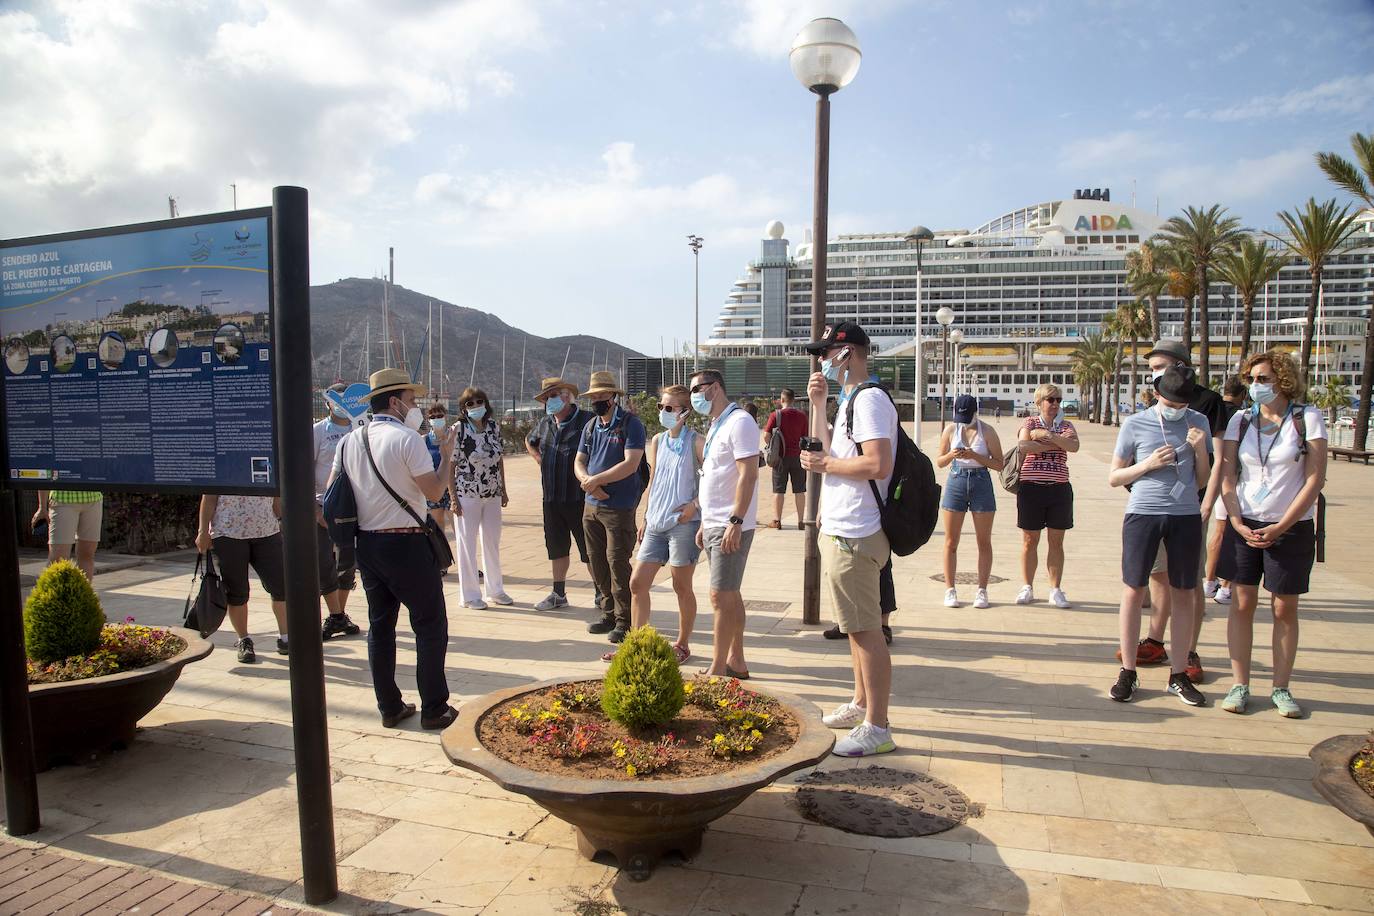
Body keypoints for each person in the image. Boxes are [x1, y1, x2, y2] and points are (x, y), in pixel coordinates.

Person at [330, 368, 458, 730]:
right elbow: (434, 492)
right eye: (412, 400)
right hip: (407, 542)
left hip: (367, 544)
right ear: (395, 401)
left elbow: (333, 494)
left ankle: (389, 705)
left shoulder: (349, 441)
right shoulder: (407, 439)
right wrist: (446, 455)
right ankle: (435, 708)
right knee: (430, 624)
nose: (415, 407)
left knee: (380, 626)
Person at [801, 322, 898, 757]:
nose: (823, 359)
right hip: (842, 528)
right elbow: (827, 450)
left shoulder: (871, 400)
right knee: (856, 630)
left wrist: (826, 467)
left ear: (849, 353)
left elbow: (877, 464)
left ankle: (877, 725)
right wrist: (818, 403)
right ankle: (861, 704)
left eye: (828, 352)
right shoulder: (850, 400)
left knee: (865, 631)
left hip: (857, 533)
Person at [1217, 351, 1326, 718]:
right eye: (1251, 379)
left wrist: (1282, 526)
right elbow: (1228, 477)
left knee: (1284, 606)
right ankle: (1239, 684)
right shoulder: (1240, 421)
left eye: (1262, 379)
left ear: (1283, 379)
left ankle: (1281, 687)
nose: (1255, 386)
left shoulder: (1307, 418)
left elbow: (1314, 480)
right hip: (1244, 521)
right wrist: (1234, 520)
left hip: (1290, 526)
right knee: (1242, 602)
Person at [1108, 366, 1212, 706]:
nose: (1177, 408)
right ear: (1157, 395)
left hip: (1184, 514)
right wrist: (1147, 465)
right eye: (1171, 402)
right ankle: (1128, 669)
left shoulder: (1199, 422)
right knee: (1133, 589)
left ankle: (1179, 674)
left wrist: (1199, 451)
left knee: (1184, 592)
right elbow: (1115, 476)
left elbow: (1201, 481)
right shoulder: (1135, 423)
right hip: (1143, 512)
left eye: (1183, 404)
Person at [1126, 340, 1228, 682]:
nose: (1156, 373)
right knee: (1157, 574)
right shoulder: (1154, 400)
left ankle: (1189, 652)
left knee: (1189, 583)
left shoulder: (1207, 404)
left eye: (1161, 366)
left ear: (1182, 365)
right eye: (1152, 368)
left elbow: (1217, 461)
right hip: (1148, 507)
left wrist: (1207, 503)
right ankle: (1155, 639)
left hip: (1188, 507)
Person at [690, 367, 760, 678]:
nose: (694, 396)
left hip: (732, 523)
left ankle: (718, 668)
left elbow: (749, 474)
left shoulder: (740, 421)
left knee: (720, 595)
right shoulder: (718, 423)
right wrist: (705, 521)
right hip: (715, 521)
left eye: (696, 389)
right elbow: (714, 477)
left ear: (715, 388)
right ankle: (737, 660)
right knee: (730, 592)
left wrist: (735, 519)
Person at [627, 384, 703, 664]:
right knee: (637, 583)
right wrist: (646, 516)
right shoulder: (658, 440)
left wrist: (694, 506)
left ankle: (682, 644)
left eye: (670, 408)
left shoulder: (696, 442)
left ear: (685, 411)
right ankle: (637, 642)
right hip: (656, 523)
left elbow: (714, 480)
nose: (664, 412)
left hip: (684, 525)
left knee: (681, 586)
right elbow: (656, 480)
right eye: (662, 407)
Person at [576, 371, 647, 646]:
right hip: (591, 505)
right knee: (597, 561)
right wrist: (587, 482)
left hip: (618, 506)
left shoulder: (631, 425)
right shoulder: (591, 426)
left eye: (602, 395)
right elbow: (579, 460)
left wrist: (597, 480)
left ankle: (624, 619)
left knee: (617, 562)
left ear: (613, 396)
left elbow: (631, 464)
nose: (597, 400)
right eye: (594, 396)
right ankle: (608, 613)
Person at [526, 377, 598, 612]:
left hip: (580, 499)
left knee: (589, 550)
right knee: (556, 548)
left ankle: (601, 593)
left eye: (553, 395)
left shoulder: (588, 421)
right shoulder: (545, 423)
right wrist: (539, 459)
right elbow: (530, 440)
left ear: (567, 396)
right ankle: (558, 593)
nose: (549, 401)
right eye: (546, 397)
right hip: (552, 498)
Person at [195, 494, 289, 664]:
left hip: (267, 531)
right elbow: (209, 497)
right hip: (227, 533)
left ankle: (286, 638)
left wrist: (283, 519)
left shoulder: (267, 466)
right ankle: (244, 640)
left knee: (281, 587)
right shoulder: (223, 467)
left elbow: (275, 496)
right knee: (237, 592)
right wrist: (203, 531)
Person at [937, 395, 1004, 608]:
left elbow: (999, 464)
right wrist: (952, 455)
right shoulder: (951, 430)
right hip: (956, 480)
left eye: (966, 417)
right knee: (950, 541)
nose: (962, 421)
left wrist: (974, 455)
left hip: (980, 481)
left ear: (975, 412)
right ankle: (950, 589)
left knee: (983, 541)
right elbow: (939, 461)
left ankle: (982, 590)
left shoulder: (988, 431)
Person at [1015, 383, 1078, 608]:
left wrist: (1046, 436)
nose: (1055, 404)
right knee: (1029, 540)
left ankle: (1055, 589)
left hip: (1059, 489)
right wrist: (1056, 443)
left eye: (1058, 400)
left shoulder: (1067, 425)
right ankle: (1027, 586)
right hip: (1031, 487)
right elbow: (1023, 446)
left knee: (1056, 541)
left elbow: (1074, 446)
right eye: (1050, 400)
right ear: (1039, 402)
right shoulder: (1029, 422)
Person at [451, 387, 511, 610]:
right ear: (463, 408)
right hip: (467, 493)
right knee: (467, 543)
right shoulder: (459, 429)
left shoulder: (494, 427)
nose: (476, 406)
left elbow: (499, 460)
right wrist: (453, 497)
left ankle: (495, 590)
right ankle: (469, 595)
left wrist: (503, 488)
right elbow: (450, 463)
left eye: (479, 401)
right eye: (470, 403)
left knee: (492, 541)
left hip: (492, 492)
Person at [314, 383, 362, 640]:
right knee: (324, 566)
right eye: (336, 399)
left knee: (347, 567)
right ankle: (335, 616)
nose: (342, 403)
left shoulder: (361, 430)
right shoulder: (318, 432)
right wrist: (315, 510)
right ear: (327, 402)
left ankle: (337, 615)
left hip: (354, 512)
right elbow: (304, 472)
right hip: (323, 510)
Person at [1204, 376, 1248, 603]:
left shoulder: (1216, 410)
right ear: (1242, 394)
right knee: (1233, 534)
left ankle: (1209, 582)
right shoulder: (1243, 417)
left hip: (1216, 477)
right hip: (1237, 481)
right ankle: (1226, 587)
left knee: (1218, 531)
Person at [762, 387, 808, 530]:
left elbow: (766, 435)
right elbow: (805, 436)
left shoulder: (775, 415)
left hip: (780, 457)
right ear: (793, 400)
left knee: (778, 490)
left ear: (782, 400)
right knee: (800, 490)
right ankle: (801, 521)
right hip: (798, 457)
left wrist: (772, 446)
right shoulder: (802, 416)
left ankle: (777, 520)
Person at [33, 489, 103, 581]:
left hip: (94, 499)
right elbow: (46, 475)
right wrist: (42, 507)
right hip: (62, 499)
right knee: (58, 558)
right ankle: (51, 594)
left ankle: (82, 594)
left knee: (87, 554)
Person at [423, 403, 457, 575]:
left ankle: (468, 565)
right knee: (438, 528)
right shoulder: (424, 440)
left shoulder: (453, 436)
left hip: (452, 486)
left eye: (440, 415)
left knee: (458, 527)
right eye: (433, 416)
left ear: (446, 416)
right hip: (434, 486)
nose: (437, 419)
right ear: (428, 419)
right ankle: (441, 564)